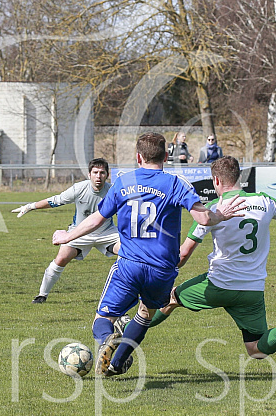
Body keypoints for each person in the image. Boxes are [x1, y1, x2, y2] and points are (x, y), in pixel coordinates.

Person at [51, 132, 245, 376]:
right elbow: (204, 218)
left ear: (138, 156)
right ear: (165, 156)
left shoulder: (123, 182)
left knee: (102, 318)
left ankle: (105, 340)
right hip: (162, 269)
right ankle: (115, 364)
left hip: (129, 264)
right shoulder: (176, 183)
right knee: (145, 314)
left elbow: (98, 218)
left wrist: (68, 236)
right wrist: (221, 215)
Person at [147, 156, 276, 358]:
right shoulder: (264, 200)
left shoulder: (213, 209)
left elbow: (183, 253)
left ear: (216, 181)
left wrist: (159, 275)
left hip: (219, 285)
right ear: (239, 177)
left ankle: (128, 329)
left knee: (170, 298)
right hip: (252, 289)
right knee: (256, 350)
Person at [12, 158, 120, 304]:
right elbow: (56, 201)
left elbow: (124, 213)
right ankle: (42, 295)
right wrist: (31, 206)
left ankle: (131, 294)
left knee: (131, 253)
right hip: (79, 232)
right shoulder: (79, 188)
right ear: (89, 174)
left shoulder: (113, 191)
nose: (98, 176)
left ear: (107, 175)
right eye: (95, 172)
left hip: (107, 233)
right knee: (61, 258)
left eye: (102, 173)